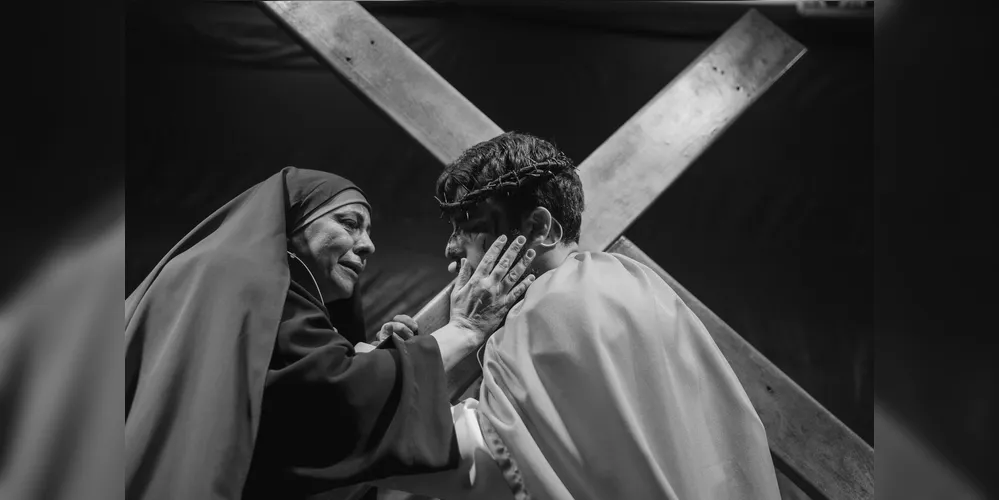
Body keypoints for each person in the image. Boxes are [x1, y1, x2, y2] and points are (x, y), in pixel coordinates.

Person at [371, 132, 782, 499]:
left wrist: (392, 374)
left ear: (539, 228)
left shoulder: (551, 306)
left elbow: (498, 463)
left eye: (468, 225)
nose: (451, 248)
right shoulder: (633, 283)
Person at [125, 167, 537, 500]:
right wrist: (464, 329)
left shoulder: (221, 281)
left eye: (368, 231)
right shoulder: (245, 279)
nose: (368, 245)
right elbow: (331, 401)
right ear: (290, 223)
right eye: (349, 223)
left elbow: (282, 400)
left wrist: (377, 357)